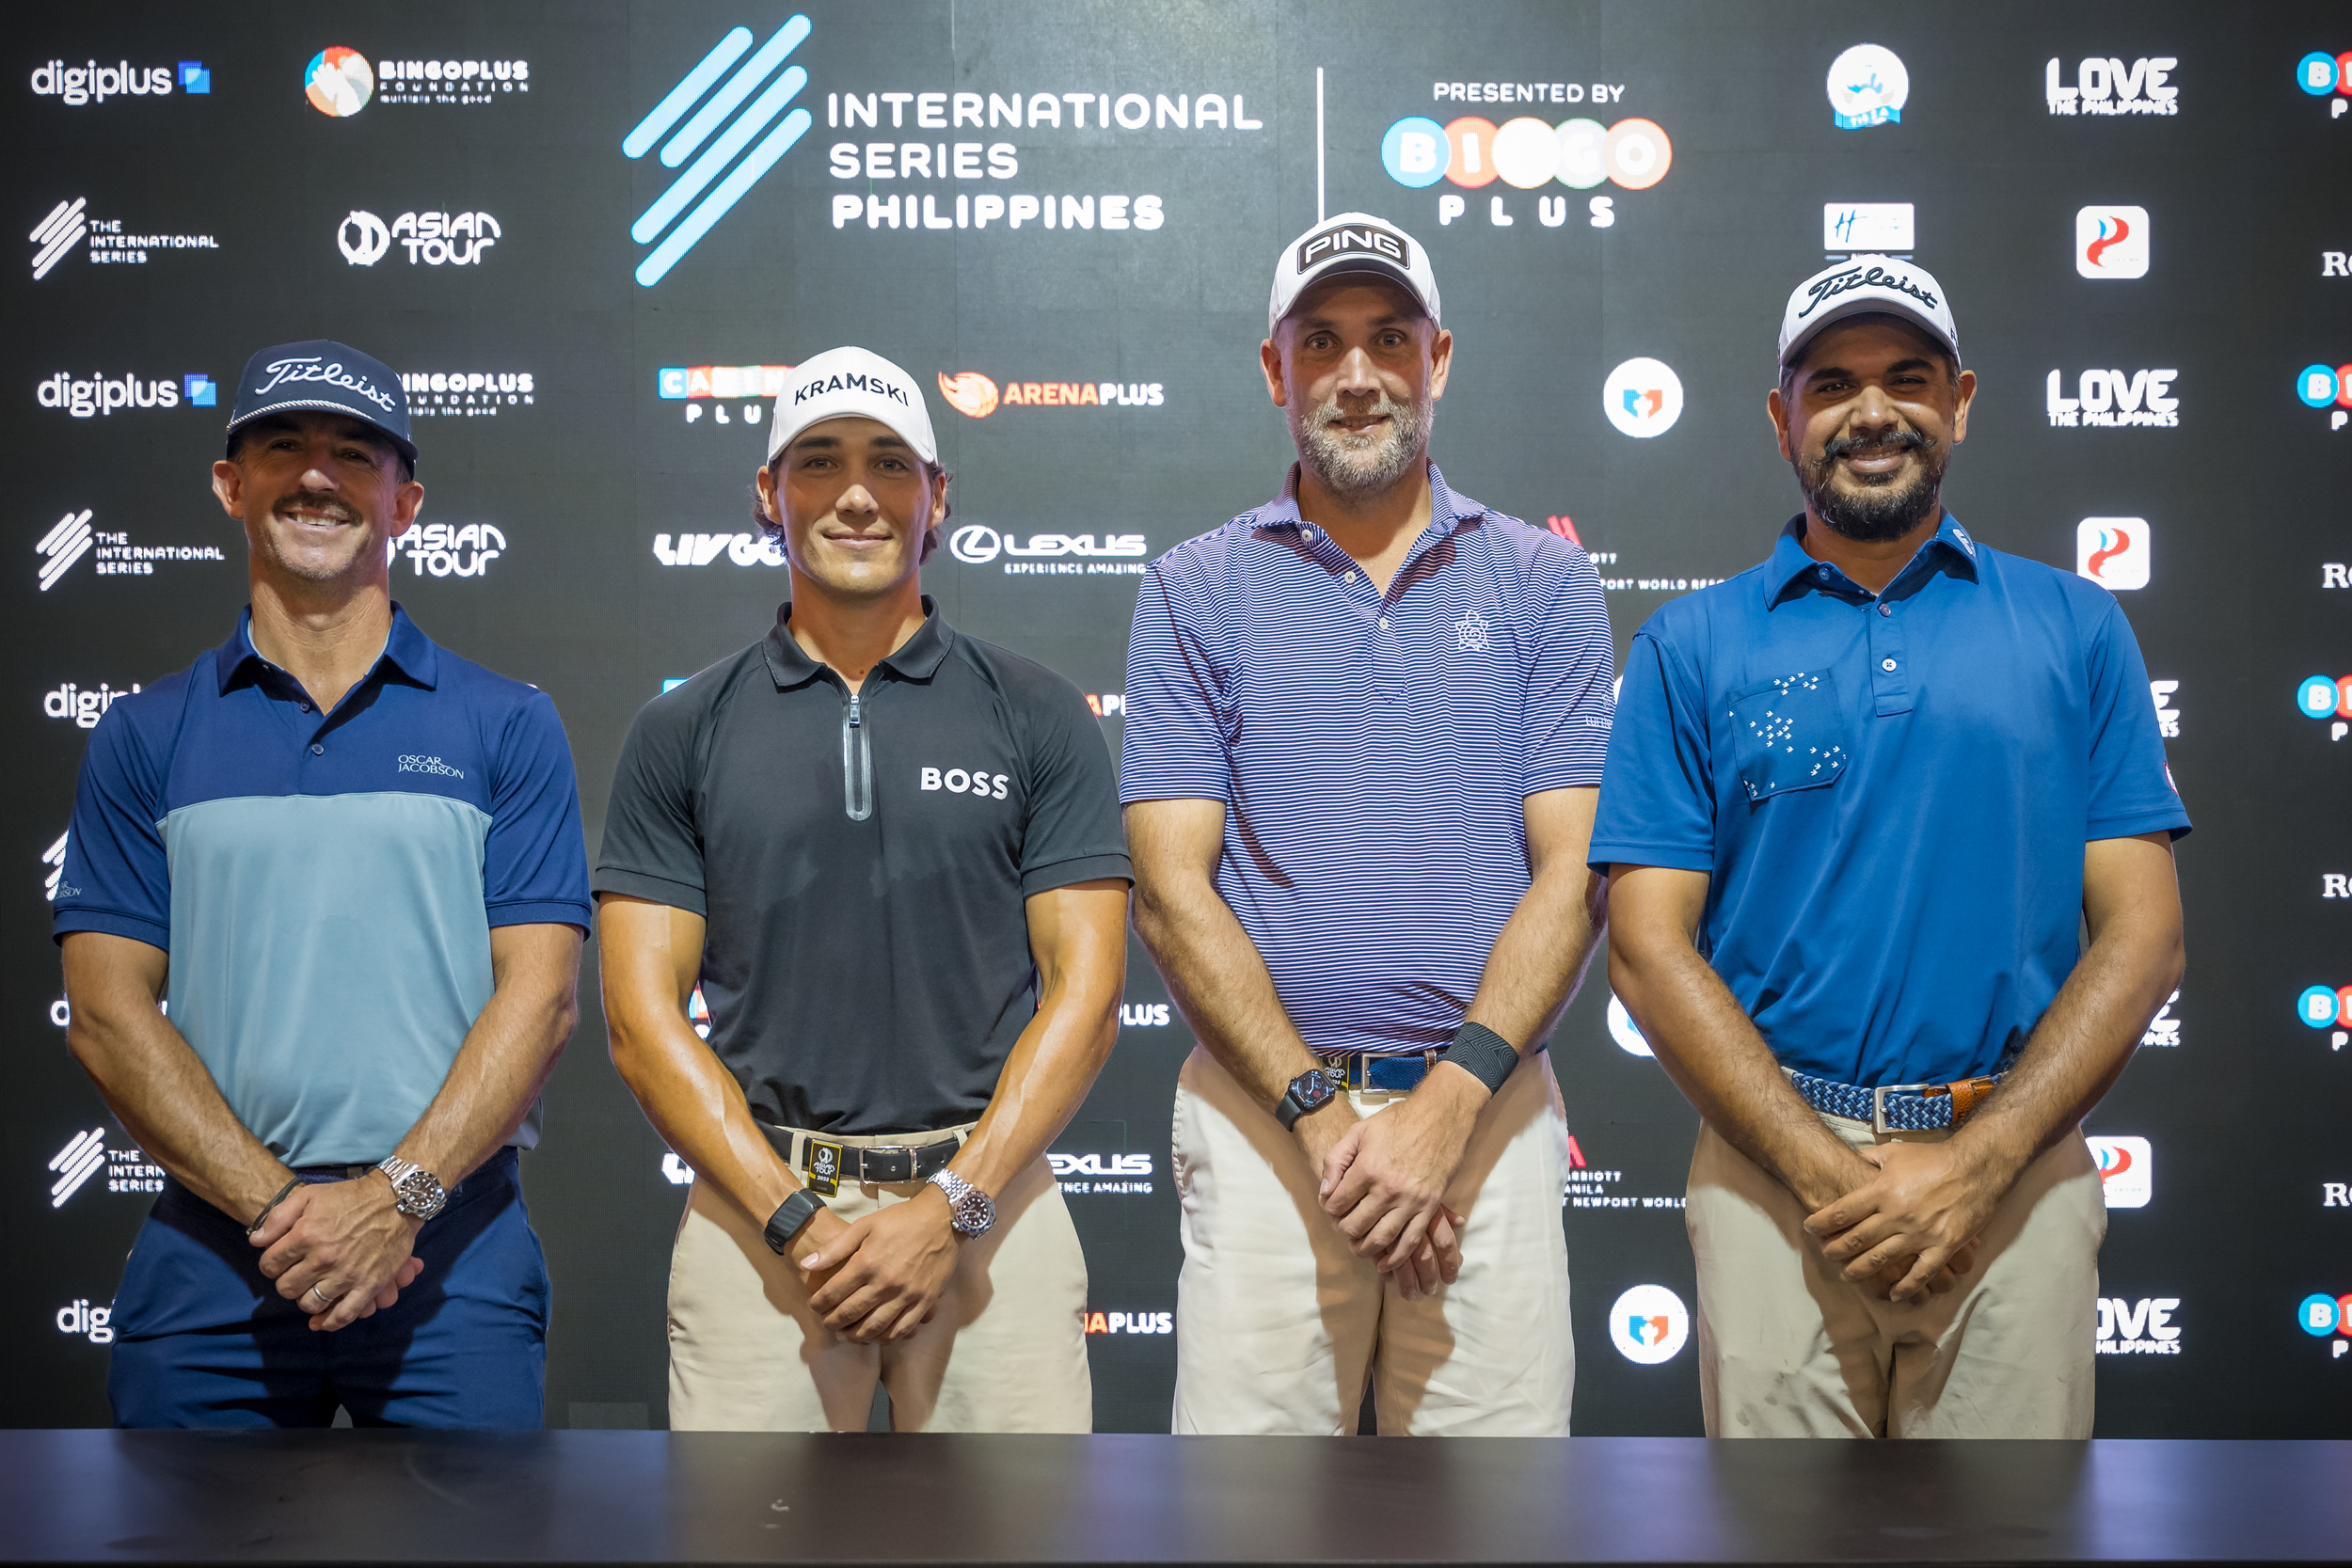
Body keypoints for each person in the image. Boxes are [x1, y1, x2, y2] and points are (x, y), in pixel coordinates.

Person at [1594, 256, 2189, 1438]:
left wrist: (1979, 1164)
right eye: (1831, 384)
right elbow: (1647, 951)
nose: (1872, 411)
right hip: (1774, 1188)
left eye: (1907, 379)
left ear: (1959, 402)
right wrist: (1829, 1176)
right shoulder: (1689, 643)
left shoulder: (2075, 624)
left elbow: (2146, 935)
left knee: (2008, 1526)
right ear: (1781, 418)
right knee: (1776, 1528)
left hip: (2013, 1181)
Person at [1121, 214, 1614, 1435]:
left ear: (1437, 358)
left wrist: (1444, 1109)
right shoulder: (1193, 586)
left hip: (1487, 1119)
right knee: (1248, 1515)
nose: (1356, 375)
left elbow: (1573, 873)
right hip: (1264, 1124)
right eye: (1322, 342)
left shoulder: (1543, 579)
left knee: (1498, 1515)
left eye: (1389, 339)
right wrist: (1326, 1120)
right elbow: (1173, 894)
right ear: (1274, 368)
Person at [54, 340, 592, 1428]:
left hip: (450, 1252)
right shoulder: (145, 733)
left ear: (406, 503)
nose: (316, 476)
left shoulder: (507, 724)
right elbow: (105, 1013)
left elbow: (540, 999)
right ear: (229, 484)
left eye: (354, 453)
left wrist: (397, 1200)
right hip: (216, 1252)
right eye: (283, 447)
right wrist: (284, 1213)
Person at [596, 346, 1131, 1433]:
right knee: (748, 1528)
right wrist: (794, 1217)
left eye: (890, 463)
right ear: (768, 491)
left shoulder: (1036, 713)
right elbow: (641, 1022)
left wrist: (949, 1205)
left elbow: (1086, 993)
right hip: (758, 1216)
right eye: (820, 461)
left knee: (1024, 1526)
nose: (855, 494)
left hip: (991, 1204)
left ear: (938, 496)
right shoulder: (680, 730)